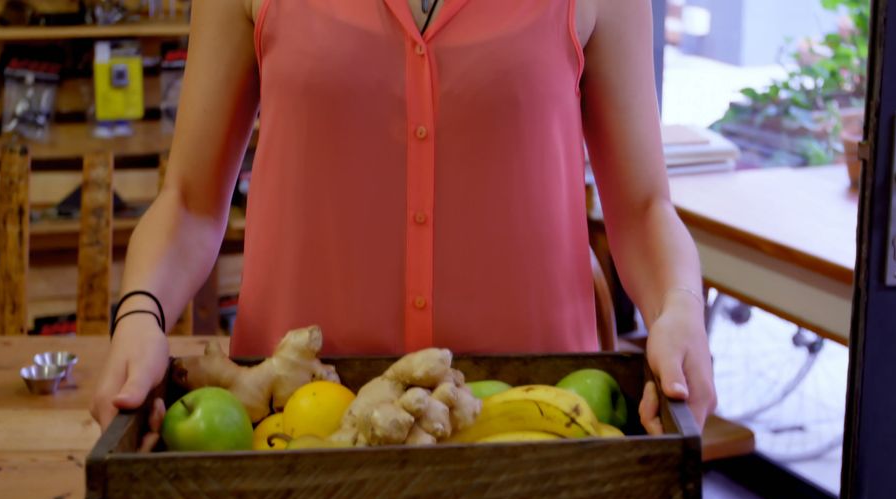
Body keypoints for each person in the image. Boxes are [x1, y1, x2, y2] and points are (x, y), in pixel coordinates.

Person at [90, 0, 716, 438]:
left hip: (537, 427)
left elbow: (641, 209)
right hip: (296, 432)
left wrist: (681, 308)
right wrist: (140, 316)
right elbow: (190, 203)